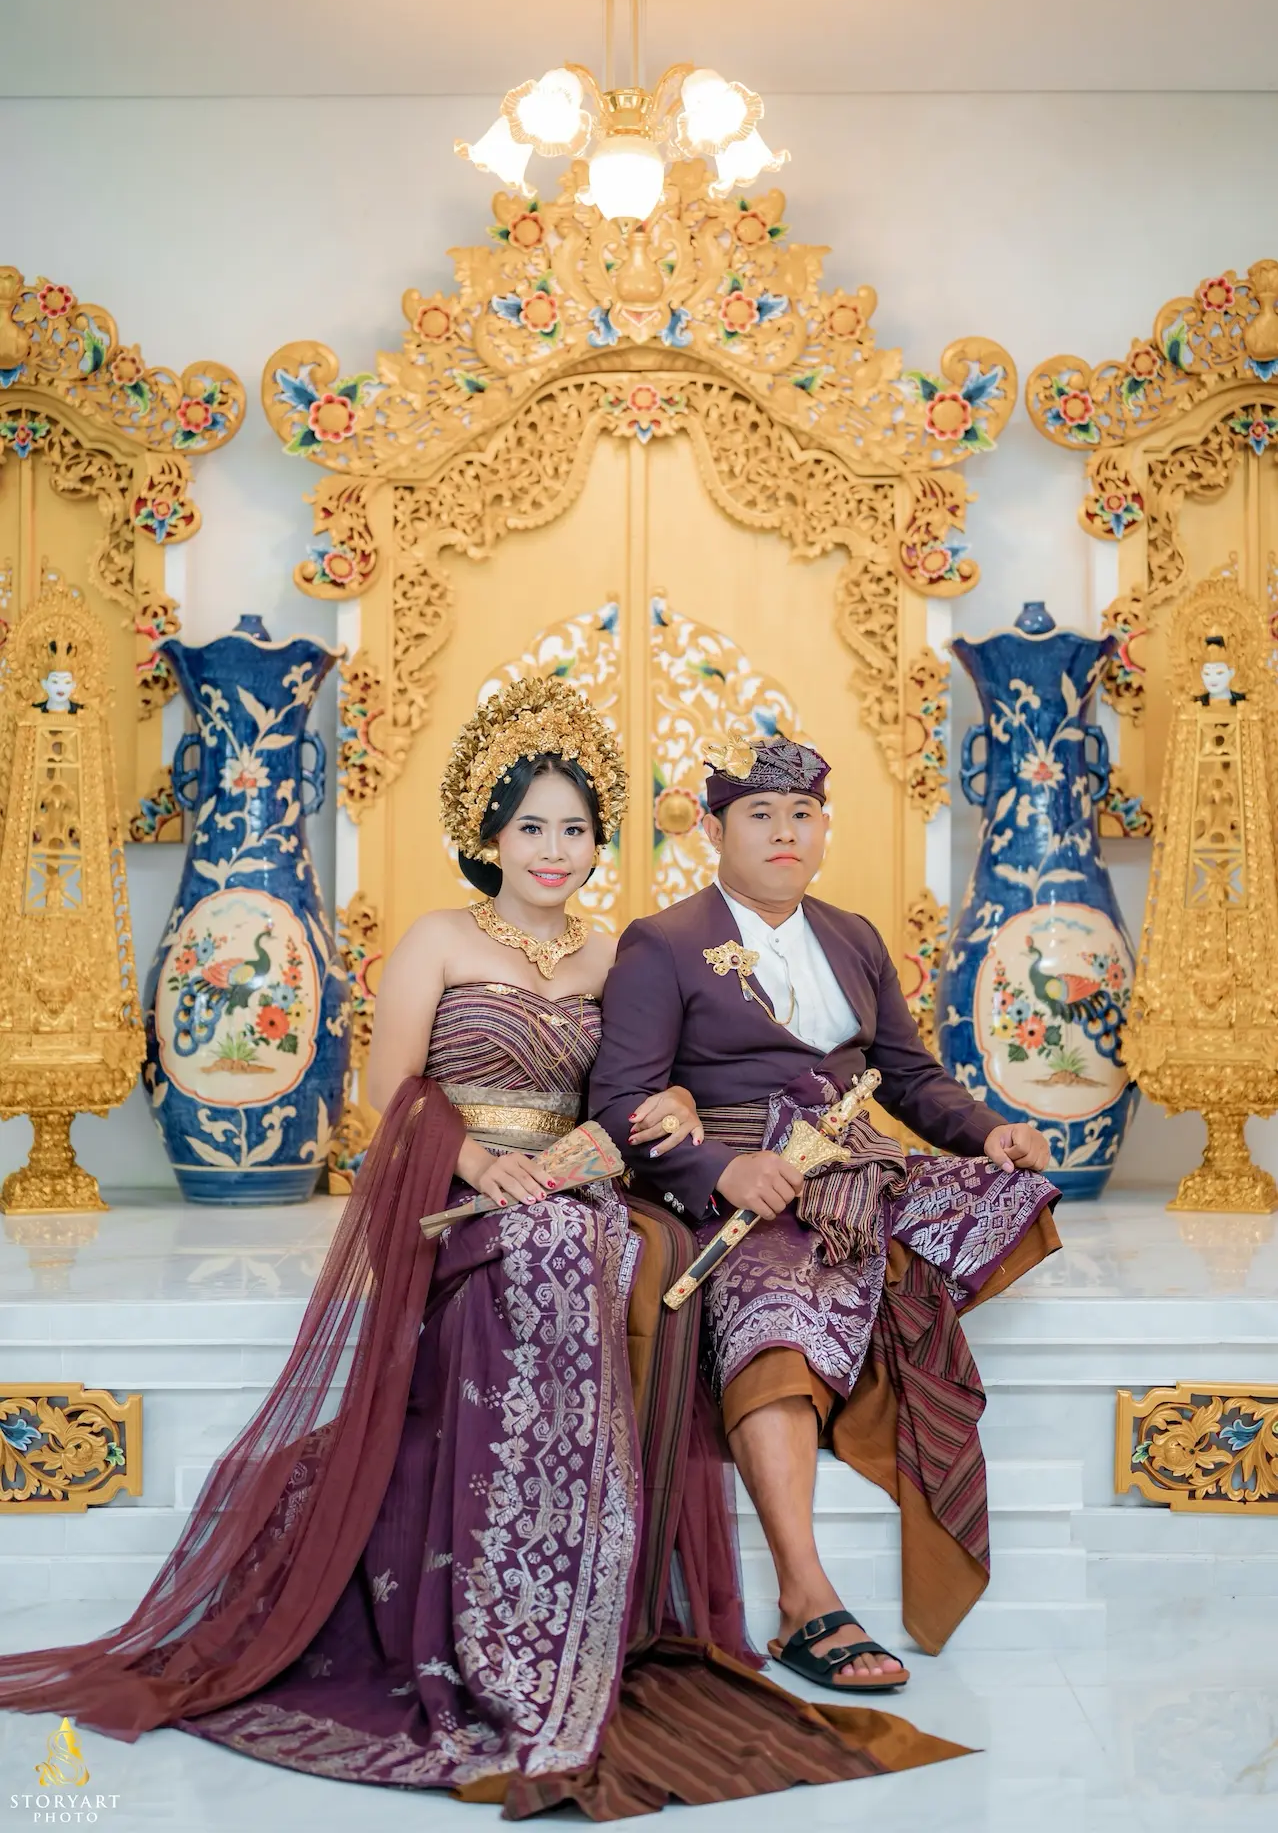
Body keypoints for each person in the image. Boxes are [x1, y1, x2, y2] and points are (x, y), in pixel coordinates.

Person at [0, 681, 966, 1818]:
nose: (554, 851)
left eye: (575, 830)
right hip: (457, 1190)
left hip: (579, 1181)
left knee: (643, 1255)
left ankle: (587, 1591)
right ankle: (507, 1609)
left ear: (598, 844)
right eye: (531, 828)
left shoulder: (619, 956)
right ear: (489, 836)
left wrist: (672, 1115)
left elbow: (639, 1090)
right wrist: (470, 1162)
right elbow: (388, 1093)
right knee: (551, 1252)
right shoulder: (438, 941)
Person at [590, 731, 1061, 1697]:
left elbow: (911, 1077)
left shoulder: (853, 936)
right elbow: (620, 1102)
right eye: (760, 814)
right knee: (774, 1311)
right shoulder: (663, 942)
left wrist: (990, 1133)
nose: (785, 832)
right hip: (743, 1182)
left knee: (1012, 1198)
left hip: (855, 1166)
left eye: (802, 814)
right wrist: (721, 1171)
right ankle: (805, 1598)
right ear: (714, 830)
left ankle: (863, 1331)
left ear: (822, 828)